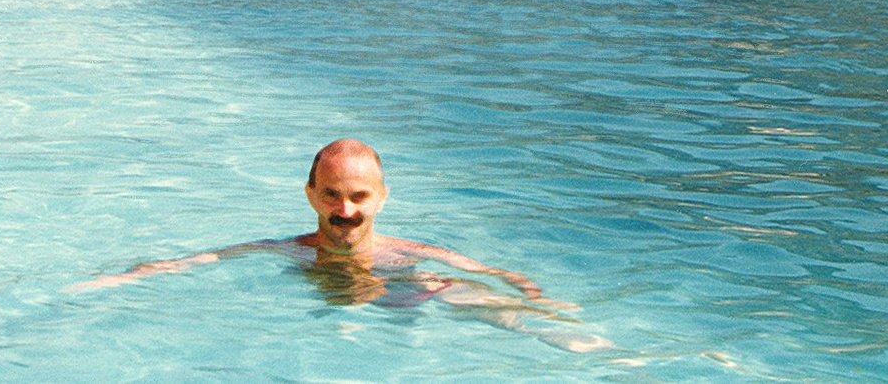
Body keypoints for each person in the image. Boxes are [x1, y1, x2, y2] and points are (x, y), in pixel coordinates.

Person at [70, 139, 608, 351]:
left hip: (400, 292)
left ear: (381, 198)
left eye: (358, 197)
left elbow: (487, 270)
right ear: (310, 195)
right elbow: (204, 258)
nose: (345, 211)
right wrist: (127, 276)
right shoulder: (290, 249)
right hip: (327, 311)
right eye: (331, 195)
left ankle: (574, 345)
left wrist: (532, 296)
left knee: (458, 293)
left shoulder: (410, 253)